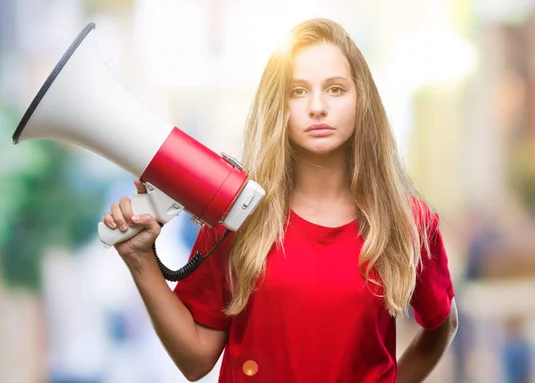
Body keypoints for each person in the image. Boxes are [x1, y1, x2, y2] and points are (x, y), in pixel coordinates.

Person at [102, 18, 458, 382]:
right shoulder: (237, 212)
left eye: (335, 89)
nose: (317, 107)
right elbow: (195, 361)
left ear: (361, 98)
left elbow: (442, 324)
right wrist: (140, 260)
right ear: (278, 106)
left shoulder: (408, 221)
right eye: (298, 91)